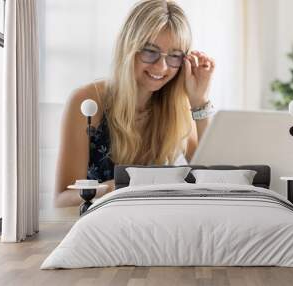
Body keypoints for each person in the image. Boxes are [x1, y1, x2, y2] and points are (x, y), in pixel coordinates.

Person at [54, 0, 215, 207]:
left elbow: (214, 182)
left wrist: (199, 101)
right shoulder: (87, 101)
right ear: (129, 47)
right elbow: (62, 200)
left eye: (174, 56)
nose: (162, 66)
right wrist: (116, 188)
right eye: (150, 51)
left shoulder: (179, 108)